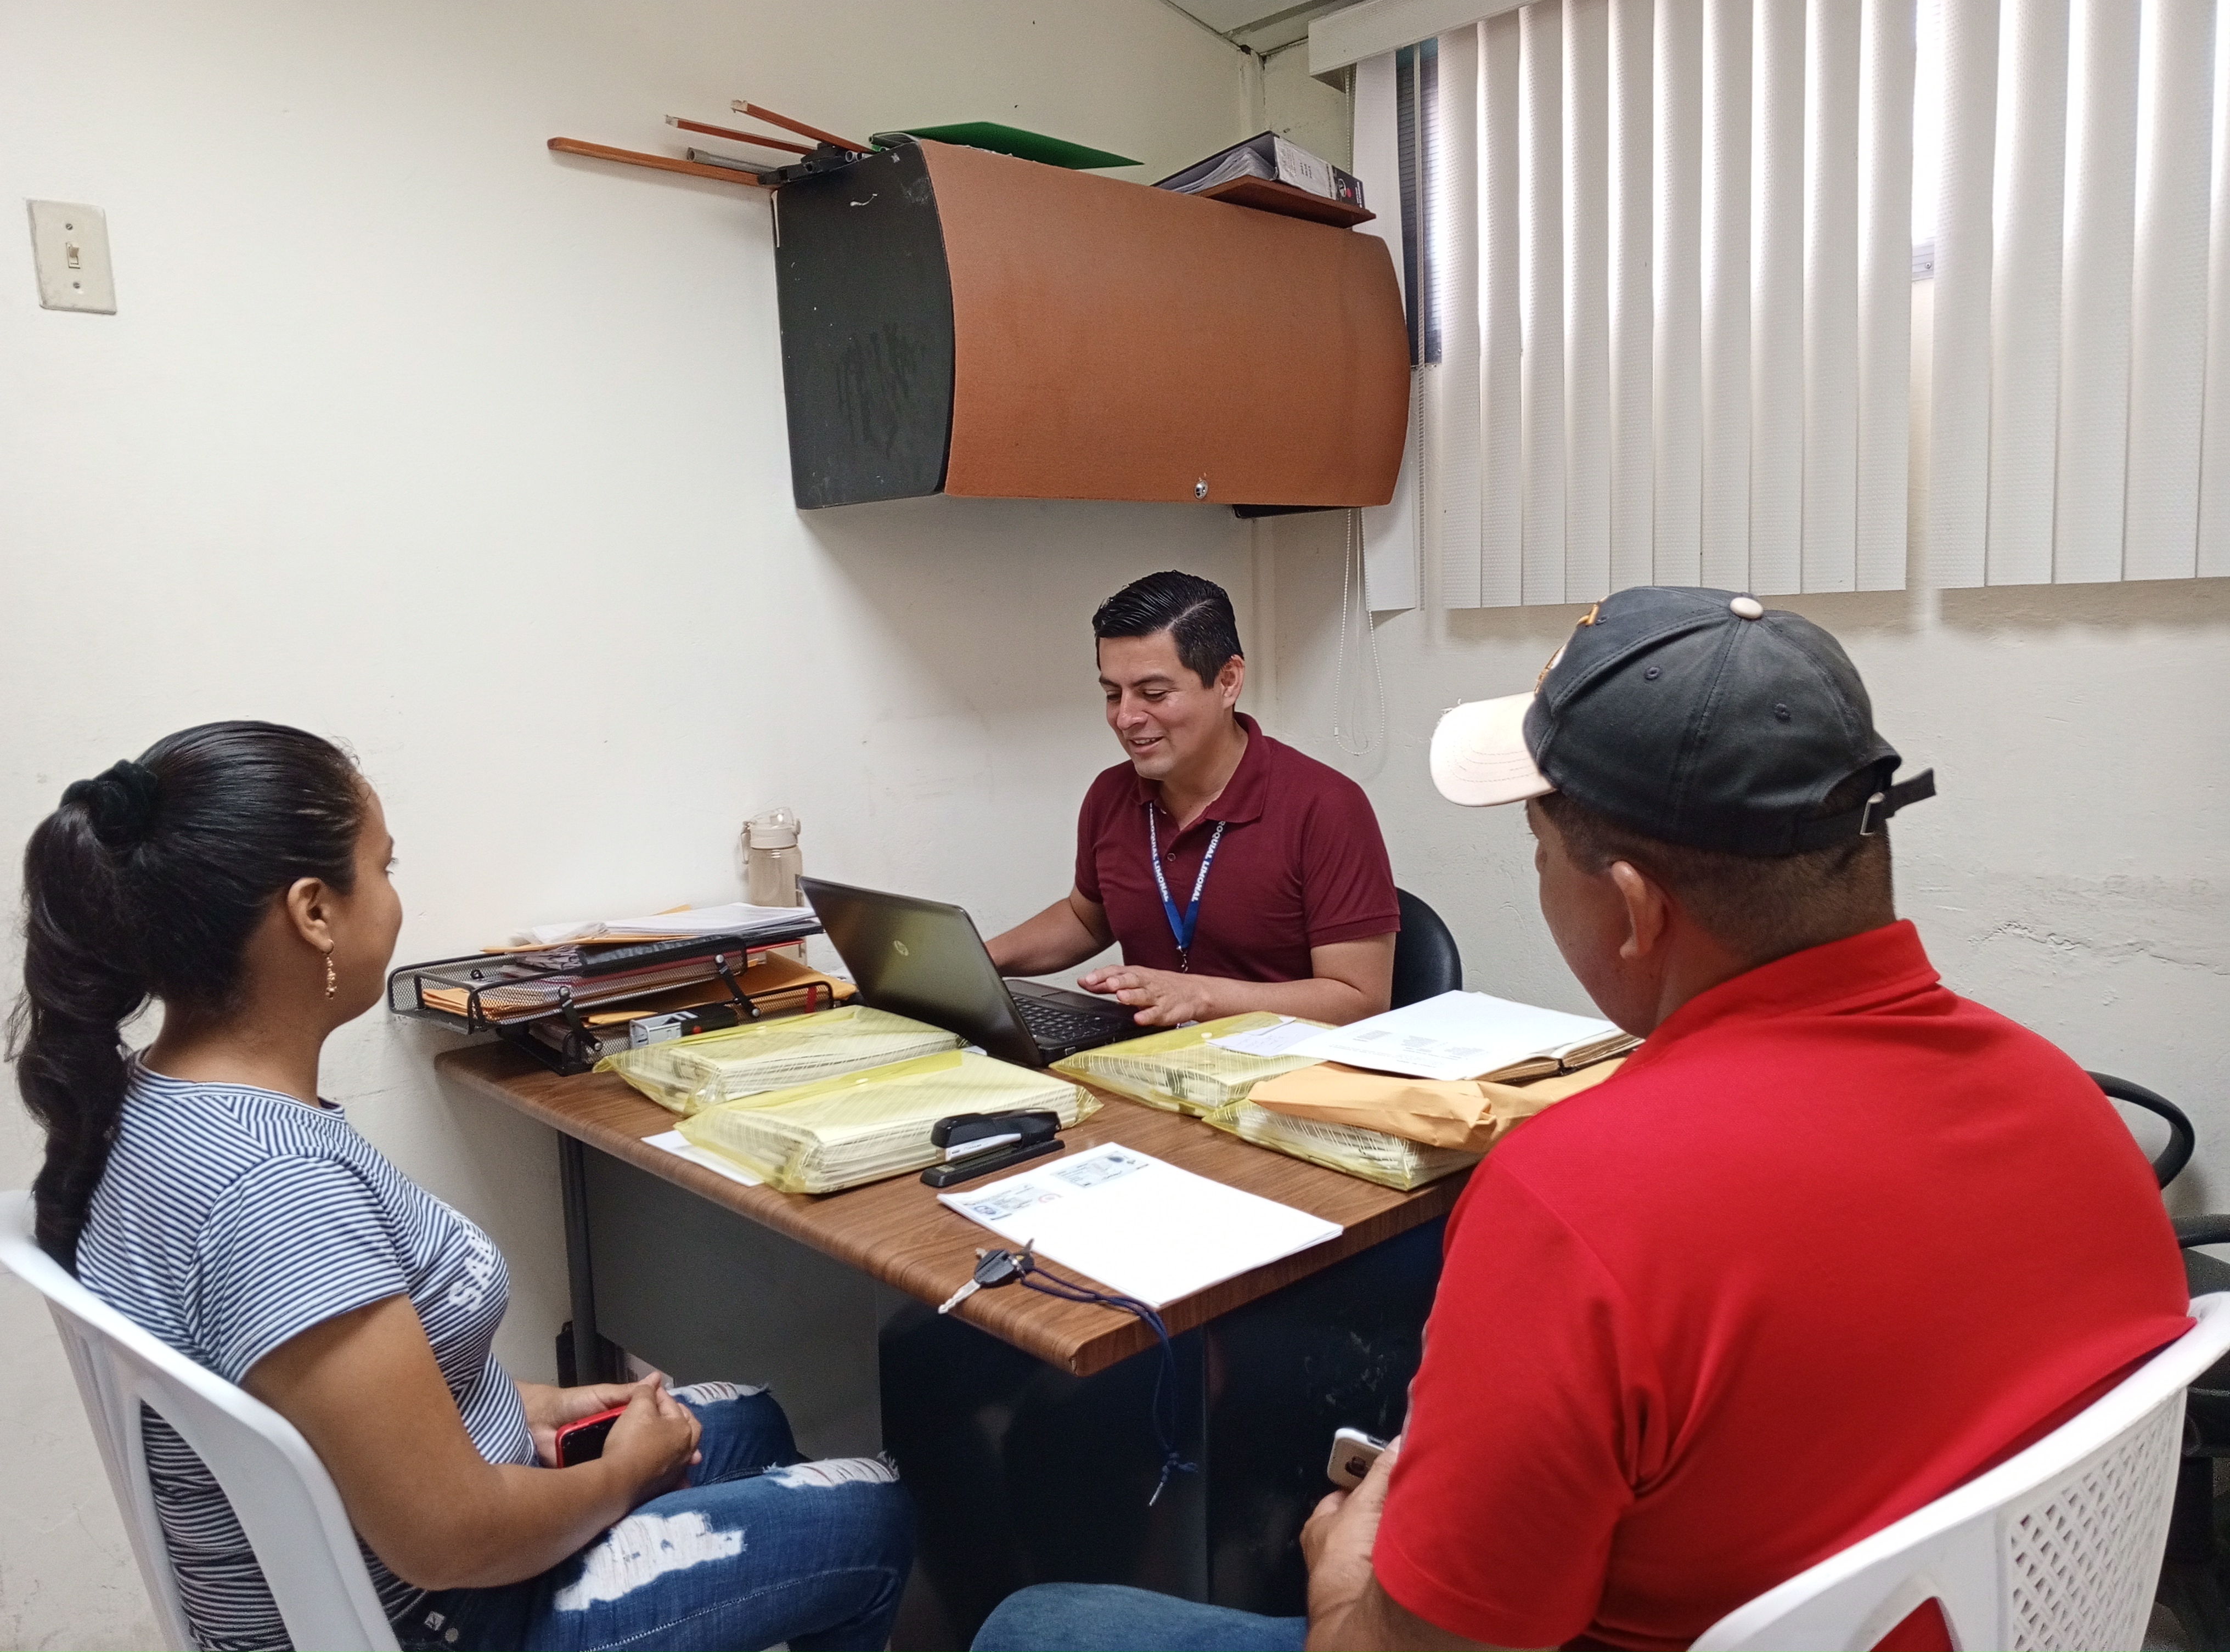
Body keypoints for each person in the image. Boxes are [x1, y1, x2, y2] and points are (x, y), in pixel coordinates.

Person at [972, 587, 2188, 1652]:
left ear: (1634, 908)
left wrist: (1342, 1576)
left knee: (1035, 1625)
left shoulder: (1575, 1201)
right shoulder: (2067, 1108)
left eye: (1536, 847)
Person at [11, 722, 913, 1652]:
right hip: (439, 1615)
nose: (395, 897)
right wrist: (620, 1477)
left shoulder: (160, 1103)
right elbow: (451, 1538)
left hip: (379, 1566)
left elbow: (332, 1393)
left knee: (748, 1419)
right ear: (314, 912)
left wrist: (533, 1407)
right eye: (384, 867)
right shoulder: (272, 1189)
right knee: (871, 1515)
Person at [988, 571, 1399, 1028]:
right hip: (1150, 1060)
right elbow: (1087, 919)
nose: (1126, 718)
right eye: (1112, 694)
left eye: (1154, 694)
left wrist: (1199, 997)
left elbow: (1359, 1000)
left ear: (1227, 681)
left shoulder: (1326, 806)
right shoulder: (1110, 794)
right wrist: (978, 962)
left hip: (1283, 1065)